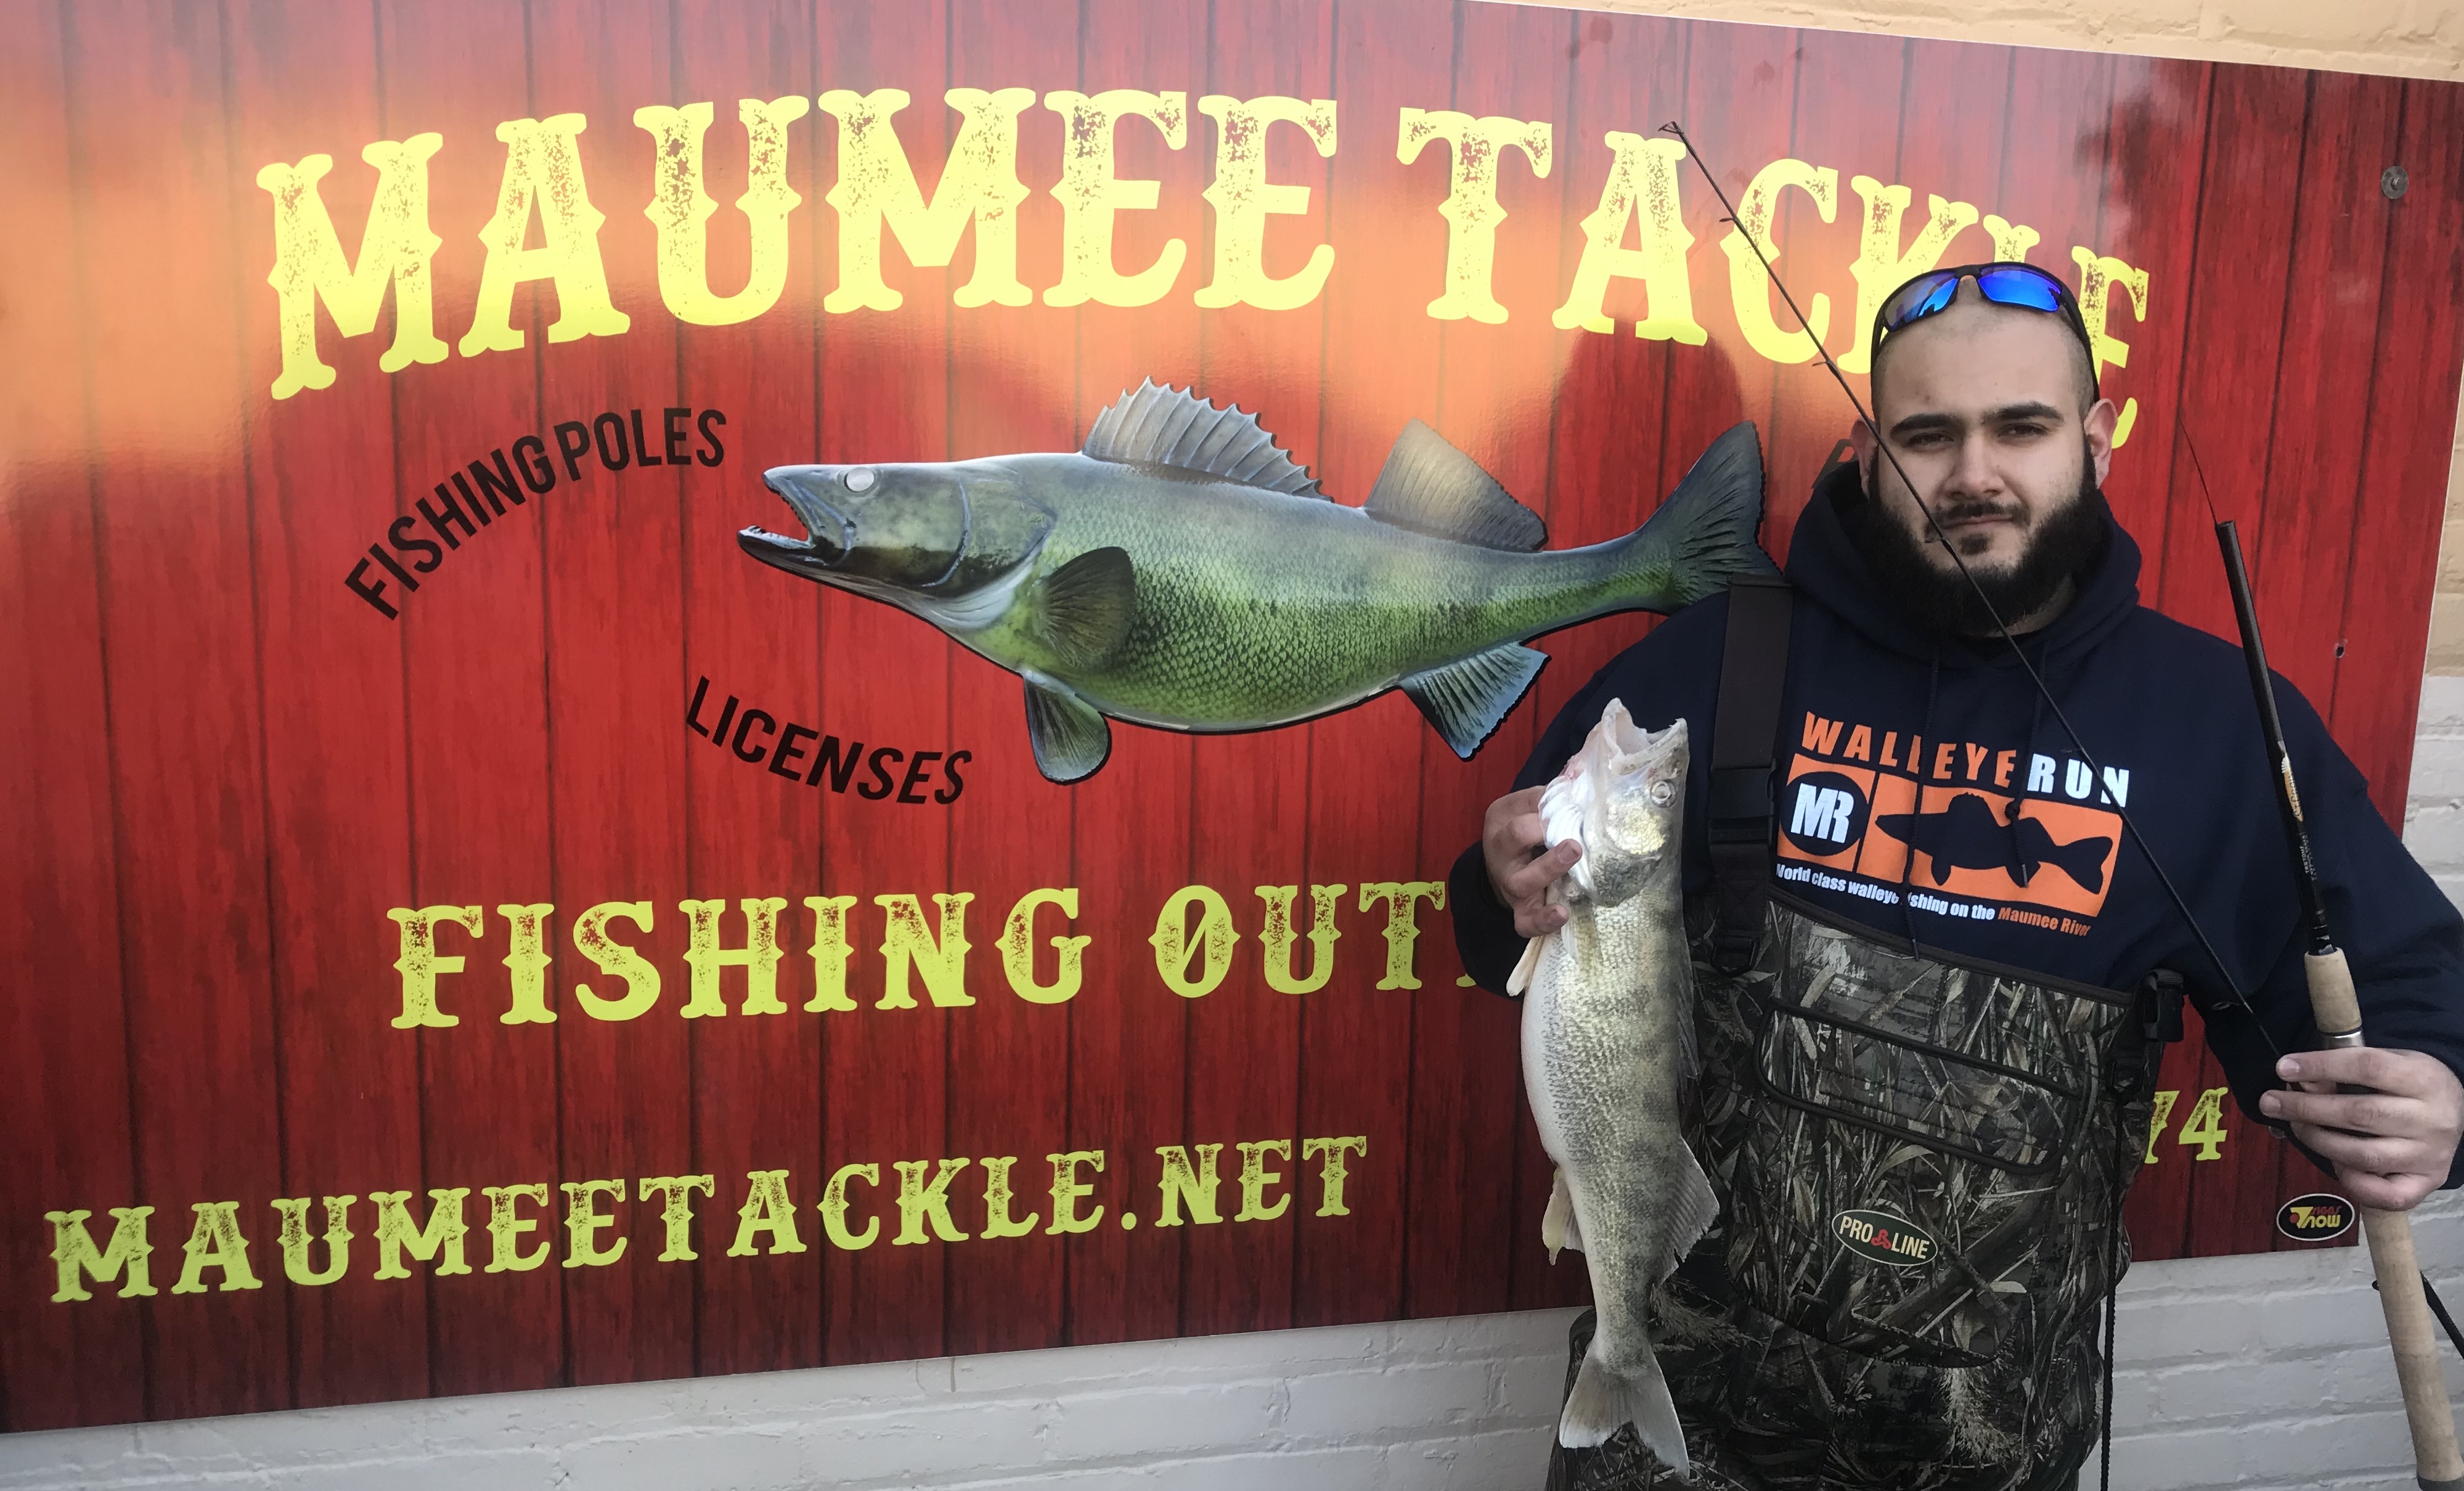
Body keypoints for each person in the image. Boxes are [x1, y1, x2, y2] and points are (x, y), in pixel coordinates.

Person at [1448, 263, 2464, 1490]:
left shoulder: (2213, 724)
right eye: (1927, 435)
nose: (1972, 473)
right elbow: (1516, 933)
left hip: (1992, 1457)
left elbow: (2395, 996)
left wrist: (2432, 1088)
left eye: (2020, 428)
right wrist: (1497, 886)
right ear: (1868, 457)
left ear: (2095, 440)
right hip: (1672, 1440)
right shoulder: (1717, 660)